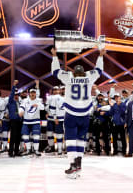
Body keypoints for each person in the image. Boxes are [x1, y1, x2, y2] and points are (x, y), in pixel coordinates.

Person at [51, 47, 105, 179]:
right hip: (85, 113)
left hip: (71, 113)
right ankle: (79, 162)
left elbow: (55, 72)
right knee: (81, 139)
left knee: (70, 140)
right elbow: (99, 70)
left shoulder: (69, 77)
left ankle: (72, 164)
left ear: (74, 72)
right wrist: (101, 56)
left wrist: (54, 56)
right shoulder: (89, 76)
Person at [20, 87, 44, 156]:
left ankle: (36, 150)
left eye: (34, 92)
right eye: (31, 92)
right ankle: (28, 149)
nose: (32, 94)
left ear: (36, 93)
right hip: (26, 121)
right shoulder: (25, 100)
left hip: (35, 121)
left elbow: (42, 108)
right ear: (29, 93)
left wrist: (38, 105)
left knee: (36, 136)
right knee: (25, 136)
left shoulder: (39, 100)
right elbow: (21, 107)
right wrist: (20, 112)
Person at [7, 80, 23, 157]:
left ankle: (16, 151)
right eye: (15, 95)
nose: (16, 96)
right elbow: (11, 94)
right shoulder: (10, 101)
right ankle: (10, 152)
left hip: (19, 121)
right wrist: (14, 86)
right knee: (13, 137)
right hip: (13, 121)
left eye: (17, 95)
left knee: (18, 137)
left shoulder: (20, 103)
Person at [45, 86, 60, 153]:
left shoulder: (62, 98)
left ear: (59, 91)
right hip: (50, 118)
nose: (55, 91)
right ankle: (51, 147)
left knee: (59, 134)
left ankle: (60, 148)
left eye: (56, 90)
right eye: (54, 90)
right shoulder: (49, 98)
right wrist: (47, 112)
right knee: (49, 133)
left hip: (59, 119)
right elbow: (46, 107)